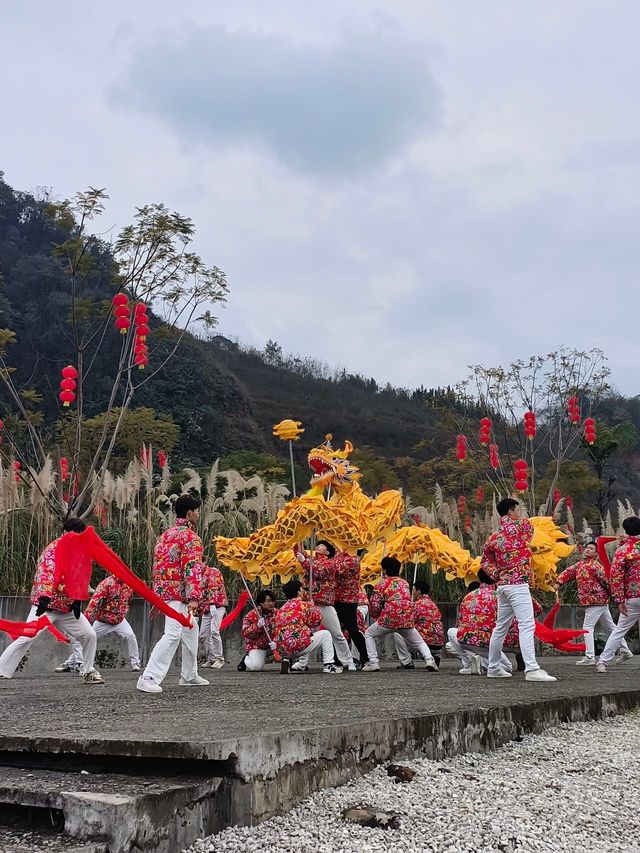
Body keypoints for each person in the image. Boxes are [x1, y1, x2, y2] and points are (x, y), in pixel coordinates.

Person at [0, 518, 103, 684]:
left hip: (67, 609)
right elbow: (46, 573)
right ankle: (1, 670)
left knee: (90, 635)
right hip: (45, 607)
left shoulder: (81, 551)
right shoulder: (53, 550)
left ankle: (87, 671)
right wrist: (43, 598)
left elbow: (81, 575)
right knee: (27, 636)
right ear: (65, 533)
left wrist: (77, 600)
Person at [136, 494, 207, 694]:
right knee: (173, 634)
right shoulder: (191, 538)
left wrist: (157, 597)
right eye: (197, 511)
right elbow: (192, 568)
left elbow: (157, 567)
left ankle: (189, 675)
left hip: (166, 593)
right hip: (180, 595)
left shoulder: (164, 535)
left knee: (191, 629)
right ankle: (149, 676)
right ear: (189, 512)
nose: (198, 514)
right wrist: (194, 597)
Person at [483, 498, 556, 682]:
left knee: (500, 627)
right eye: (517, 510)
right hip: (518, 584)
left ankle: (493, 667)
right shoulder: (523, 526)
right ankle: (531, 669)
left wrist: (498, 575)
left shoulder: (493, 538)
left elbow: (485, 561)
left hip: (503, 586)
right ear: (510, 511)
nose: (519, 513)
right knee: (526, 624)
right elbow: (531, 532)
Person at [556, 541, 632, 666]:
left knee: (587, 628)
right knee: (611, 627)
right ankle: (625, 650)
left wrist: (615, 595)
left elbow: (608, 581)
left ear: (596, 553)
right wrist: (558, 582)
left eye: (591, 549)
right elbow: (568, 573)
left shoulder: (596, 566)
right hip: (597, 601)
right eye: (587, 548)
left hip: (596, 601)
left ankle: (590, 656)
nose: (587, 550)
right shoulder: (580, 565)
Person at [362, 557, 438, 672]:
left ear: (385, 570)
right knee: (418, 641)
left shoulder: (381, 584)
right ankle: (429, 659)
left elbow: (375, 604)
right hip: (406, 618)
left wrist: (376, 615)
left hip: (389, 619)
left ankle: (374, 662)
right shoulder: (404, 583)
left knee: (369, 634)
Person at [446, 570, 529, 675]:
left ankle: (469, 664)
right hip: (490, 643)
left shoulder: (468, 596)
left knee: (451, 632)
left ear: (479, 579)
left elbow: (460, 622)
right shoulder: (500, 597)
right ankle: (484, 663)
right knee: (507, 667)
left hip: (467, 641)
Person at [295, 540, 356, 671]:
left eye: (322, 546)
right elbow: (300, 553)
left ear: (328, 552)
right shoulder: (312, 560)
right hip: (310, 603)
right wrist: (297, 539)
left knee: (336, 633)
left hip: (324, 604)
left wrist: (304, 562)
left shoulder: (330, 563)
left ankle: (348, 661)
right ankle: (302, 663)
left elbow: (319, 572)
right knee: (306, 632)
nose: (318, 546)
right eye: (318, 544)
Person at [65, 575, 141, 671]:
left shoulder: (129, 583)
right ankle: (70, 663)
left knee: (131, 636)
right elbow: (94, 602)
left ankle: (135, 664)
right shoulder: (106, 584)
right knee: (88, 639)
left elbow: (130, 598)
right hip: (103, 621)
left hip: (119, 620)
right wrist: (86, 620)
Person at [597, 517, 640, 673]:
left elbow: (616, 576)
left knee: (619, 630)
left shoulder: (622, 550)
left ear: (625, 530)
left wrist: (619, 599)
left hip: (632, 596)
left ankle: (603, 662)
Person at [275, 580, 340, 674]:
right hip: (299, 646)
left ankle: (288, 660)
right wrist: (313, 607)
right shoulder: (304, 605)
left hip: (283, 649)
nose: (303, 591)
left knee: (303, 633)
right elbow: (317, 622)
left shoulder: (281, 609)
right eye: (302, 589)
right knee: (326, 634)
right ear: (298, 591)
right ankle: (328, 665)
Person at [395, 579, 444, 669]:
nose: (412, 593)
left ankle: (407, 662)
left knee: (398, 633)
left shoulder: (416, 605)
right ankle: (435, 655)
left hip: (425, 641)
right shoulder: (433, 605)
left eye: (413, 590)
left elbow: (408, 622)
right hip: (439, 643)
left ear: (419, 591)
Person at [333, 549, 369, 665]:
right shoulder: (341, 556)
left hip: (347, 600)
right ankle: (338, 658)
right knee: (337, 629)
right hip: (338, 599)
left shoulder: (351, 560)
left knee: (351, 629)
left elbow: (336, 570)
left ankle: (364, 657)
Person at [239, 589, 278, 671]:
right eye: (268, 601)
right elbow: (245, 633)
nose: (271, 603)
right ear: (261, 602)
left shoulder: (278, 613)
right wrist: (257, 626)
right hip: (257, 646)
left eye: (273, 601)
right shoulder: (252, 615)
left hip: (275, 644)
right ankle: (247, 658)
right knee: (256, 667)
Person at [199, 564, 228, 669]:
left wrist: (212, 603)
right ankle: (211, 658)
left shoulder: (212, 571)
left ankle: (219, 658)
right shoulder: (199, 575)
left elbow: (213, 586)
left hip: (217, 606)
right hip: (207, 608)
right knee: (203, 634)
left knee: (214, 631)